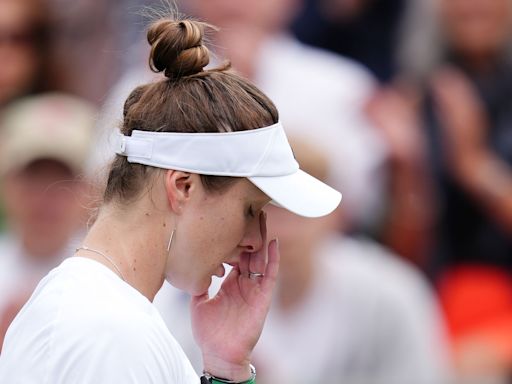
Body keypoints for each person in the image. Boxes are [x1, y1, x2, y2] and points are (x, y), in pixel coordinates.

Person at [0, 17, 341, 384]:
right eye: (250, 210)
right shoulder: (109, 331)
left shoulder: (107, 316)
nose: (257, 242)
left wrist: (227, 370)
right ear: (183, 187)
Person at [0, 92, 95, 350]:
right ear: (8, 184)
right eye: (34, 178)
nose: (45, 198)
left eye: (60, 183)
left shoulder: (110, 281)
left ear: (88, 190)